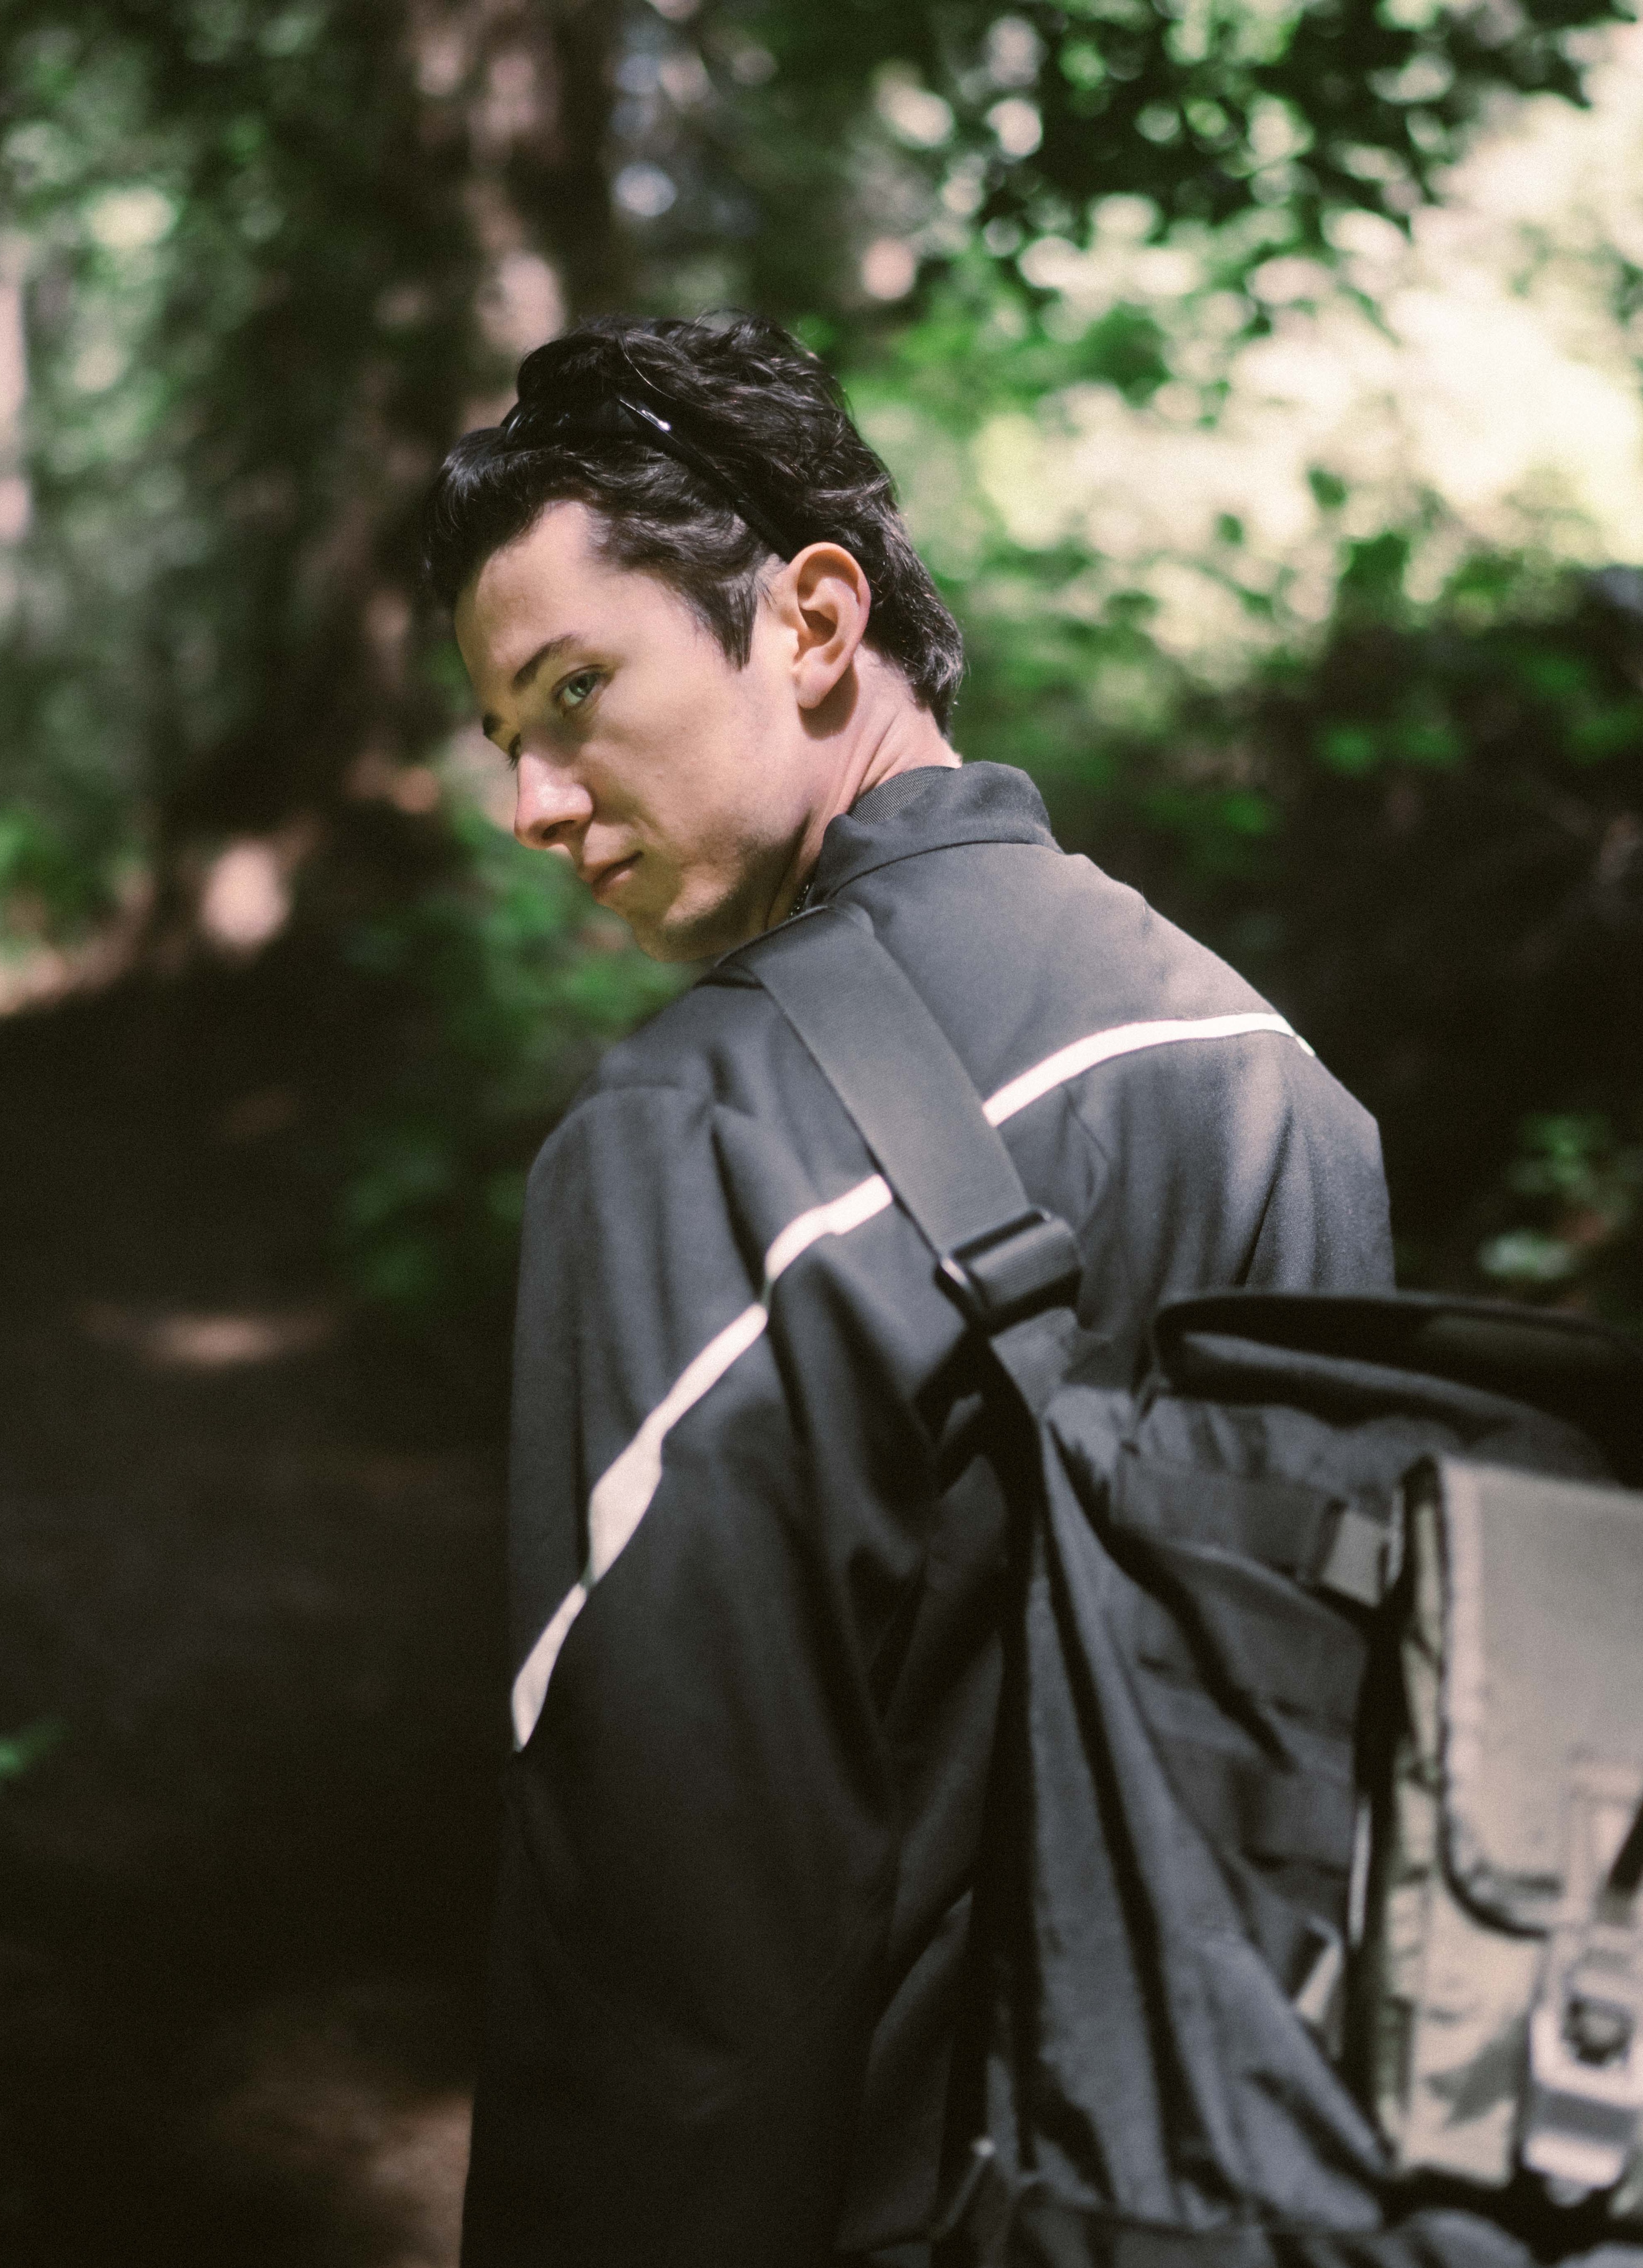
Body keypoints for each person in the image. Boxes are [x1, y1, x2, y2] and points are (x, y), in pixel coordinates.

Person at [422, 314, 1395, 2268]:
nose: (533, 803)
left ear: (809, 617)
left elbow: (665, 1961)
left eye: (573, 692)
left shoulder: (699, 1132)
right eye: (504, 739)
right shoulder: (1277, 1073)